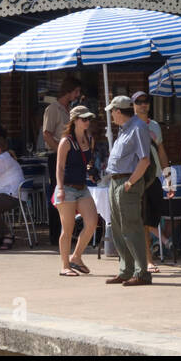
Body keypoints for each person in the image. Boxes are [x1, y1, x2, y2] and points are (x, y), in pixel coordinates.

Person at [103, 96, 152, 286]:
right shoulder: (124, 129)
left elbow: (145, 159)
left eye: (112, 112)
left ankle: (142, 273)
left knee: (131, 228)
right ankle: (126, 270)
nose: (111, 116)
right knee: (117, 229)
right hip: (115, 181)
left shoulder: (138, 128)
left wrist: (130, 183)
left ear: (118, 111)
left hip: (127, 181)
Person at [54, 106, 99, 276]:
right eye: (84, 119)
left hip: (82, 187)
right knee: (67, 228)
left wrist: (91, 170)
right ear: (75, 121)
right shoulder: (66, 141)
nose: (87, 121)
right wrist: (59, 188)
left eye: (89, 119)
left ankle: (76, 256)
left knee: (92, 222)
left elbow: (86, 162)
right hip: (67, 188)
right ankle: (65, 265)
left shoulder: (89, 138)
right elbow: (59, 167)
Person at [41, 76, 82, 248]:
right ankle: (54, 233)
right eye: (77, 91)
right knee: (57, 191)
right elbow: (46, 133)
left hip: (70, 156)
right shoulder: (53, 109)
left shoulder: (69, 110)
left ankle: (67, 230)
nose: (78, 95)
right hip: (56, 155)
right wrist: (60, 151)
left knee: (69, 191)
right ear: (69, 91)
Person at [133, 91, 170, 267]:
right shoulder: (129, 125)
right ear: (132, 105)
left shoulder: (155, 126)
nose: (143, 104)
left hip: (154, 178)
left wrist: (168, 177)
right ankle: (147, 260)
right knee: (143, 220)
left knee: (153, 218)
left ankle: (146, 256)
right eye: (138, 102)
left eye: (146, 101)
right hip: (139, 177)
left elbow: (161, 151)